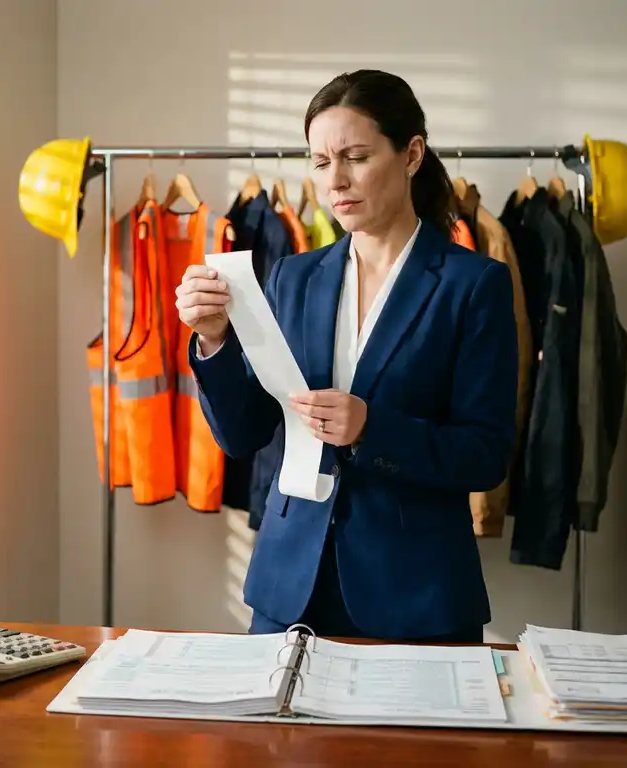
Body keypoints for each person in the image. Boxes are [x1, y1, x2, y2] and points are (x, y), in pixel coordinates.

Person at [175, 70, 518, 642]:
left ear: (411, 154)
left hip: (414, 595)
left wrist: (370, 429)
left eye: (356, 157)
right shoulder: (293, 275)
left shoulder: (474, 283)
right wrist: (214, 340)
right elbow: (244, 435)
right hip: (287, 592)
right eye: (319, 161)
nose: (335, 181)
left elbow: (484, 456)